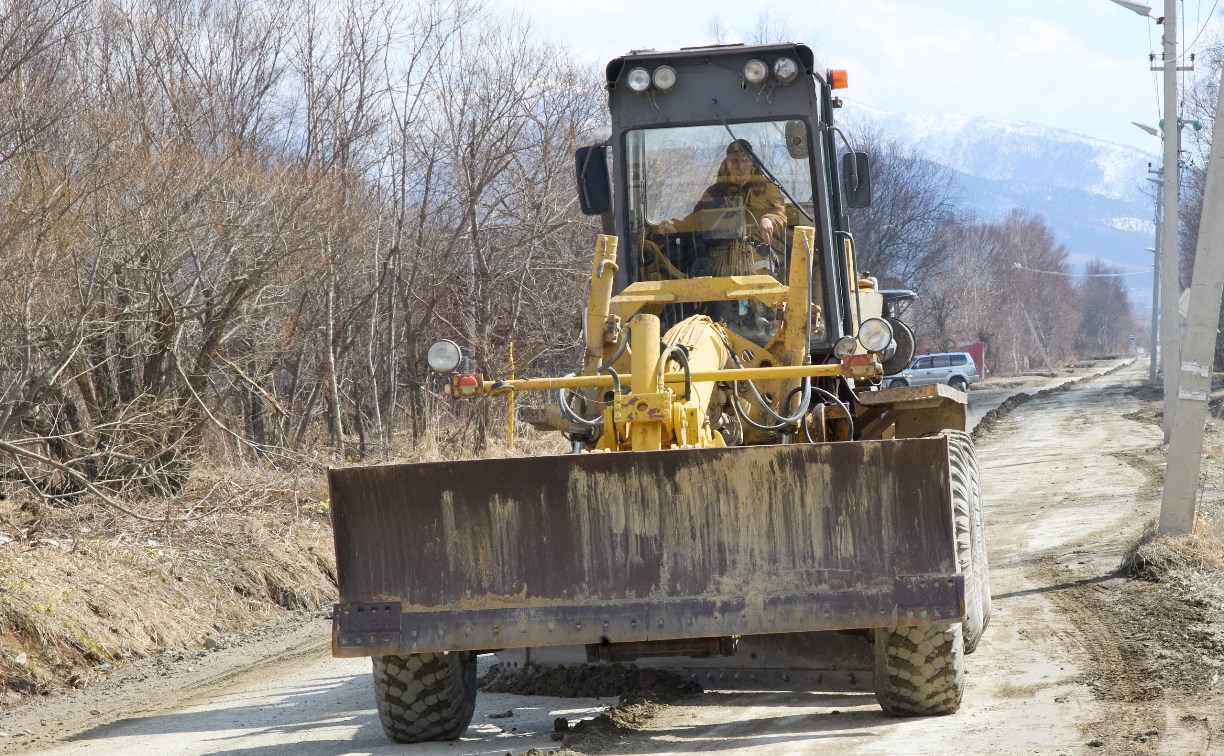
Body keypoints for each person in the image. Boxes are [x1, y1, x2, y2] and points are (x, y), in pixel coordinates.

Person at [655, 138, 787, 278]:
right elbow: (697, 219)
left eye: (745, 160)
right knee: (699, 269)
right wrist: (676, 228)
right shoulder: (714, 192)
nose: (740, 166)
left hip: (757, 251)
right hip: (717, 253)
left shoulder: (766, 188)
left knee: (763, 274)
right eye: (734, 161)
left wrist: (768, 220)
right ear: (728, 164)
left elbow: (780, 214)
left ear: (752, 162)